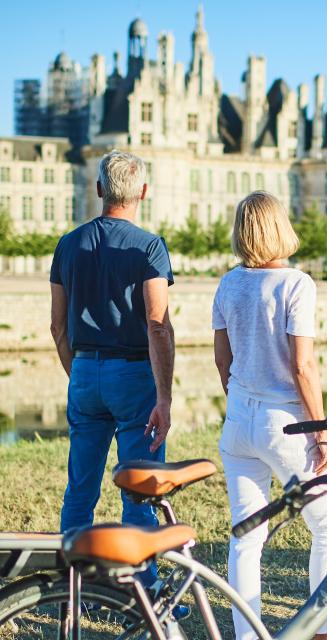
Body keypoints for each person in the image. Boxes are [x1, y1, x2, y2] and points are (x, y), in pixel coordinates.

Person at [213, 191, 327, 640]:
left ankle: (247, 635)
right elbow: (303, 366)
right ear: (279, 228)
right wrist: (322, 430)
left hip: (239, 421)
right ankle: (326, 630)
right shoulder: (296, 284)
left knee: (246, 535)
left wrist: (237, 402)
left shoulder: (228, 284)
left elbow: (221, 360)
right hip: (286, 423)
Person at [50, 150, 174, 539]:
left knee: (80, 490)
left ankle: (72, 590)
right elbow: (157, 325)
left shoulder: (68, 244)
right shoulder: (149, 247)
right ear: (144, 193)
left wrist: (82, 372)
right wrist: (165, 397)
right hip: (134, 374)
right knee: (139, 489)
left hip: (85, 370)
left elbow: (57, 327)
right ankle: (142, 590)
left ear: (100, 188)